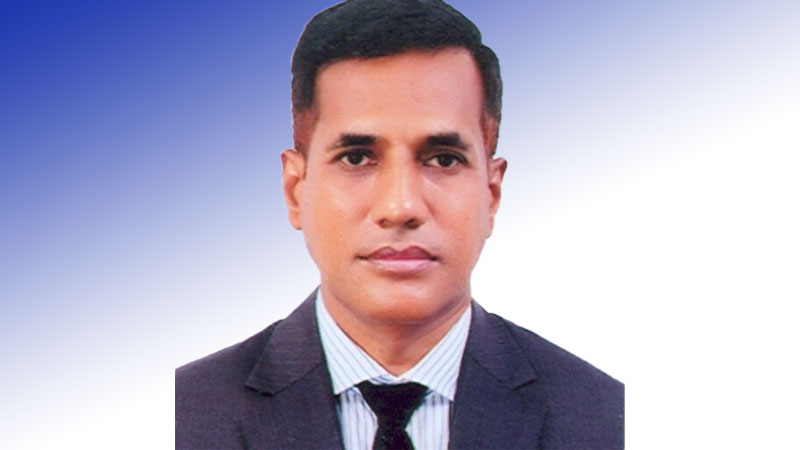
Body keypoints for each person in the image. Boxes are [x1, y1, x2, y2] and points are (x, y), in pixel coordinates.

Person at [175, 0, 624, 448]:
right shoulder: (184, 415)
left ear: (491, 193)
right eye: (356, 158)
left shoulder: (605, 419)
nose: (401, 206)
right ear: (296, 190)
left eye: (443, 159)